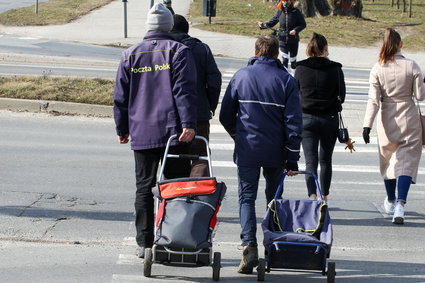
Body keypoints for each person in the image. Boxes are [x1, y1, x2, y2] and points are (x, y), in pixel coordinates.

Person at [113, 3, 197, 258]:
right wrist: (189, 124)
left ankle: (144, 242)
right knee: (175, 188)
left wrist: (122, 127)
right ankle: (173, 237)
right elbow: (184, 92)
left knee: (144, 188)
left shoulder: (130, 55)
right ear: (169, 26)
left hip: (142, 130)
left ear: (149, 27)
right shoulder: (179, 51)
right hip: (174, 132)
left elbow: (120, 96)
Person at [219, 35, 302, 274]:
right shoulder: (286, 80)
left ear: (255, 52)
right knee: (274, 198)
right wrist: (292, 155)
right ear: (277, 54)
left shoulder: (241, 76)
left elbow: (226, 115)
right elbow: (294, 122)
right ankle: (273, 246)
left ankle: (249, 246)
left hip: (248, 149)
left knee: (246, 198)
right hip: (276, 150)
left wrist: (239, 135)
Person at [363, 28, 425, 224]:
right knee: (407, 161)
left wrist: (367, 126)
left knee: (388, 160)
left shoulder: (377, 68)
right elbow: (421, 96)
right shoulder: (411, 65)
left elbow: (373, 100)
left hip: (386, 117)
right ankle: (400, 203)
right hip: (409, 115)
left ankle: (390, 200)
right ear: (401, 45)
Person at [294, 32, 346, 202]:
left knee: (310, 160)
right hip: (329, 119)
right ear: (325, 48)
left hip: (306, 118)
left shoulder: (300, 69)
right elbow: (342, 96)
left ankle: (312, 195)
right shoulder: (336, 69)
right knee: (325, 160)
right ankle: (324, 196)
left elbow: (295, 94)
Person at [171, 14, 222, 177]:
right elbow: (214, 81)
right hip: (199, 113)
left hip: (170, 115)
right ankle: (195, 197)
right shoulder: (201, 49)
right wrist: (210, 106)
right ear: (187, 30)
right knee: (200, 158)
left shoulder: (163, 49)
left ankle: (175, 197)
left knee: (172, 159)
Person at [257, 0, 306, 70]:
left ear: (291, 1)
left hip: (293, 40)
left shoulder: (296, 11)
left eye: (287, 1)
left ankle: (294, 77)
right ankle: (285, 77)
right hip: (282, 39)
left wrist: (295, 30)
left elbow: (303, 24)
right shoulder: (280, 11)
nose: (285, 3)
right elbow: (271, 23)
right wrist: (263, 25)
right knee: (285, 60)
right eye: (283, 1)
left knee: (293, 61)